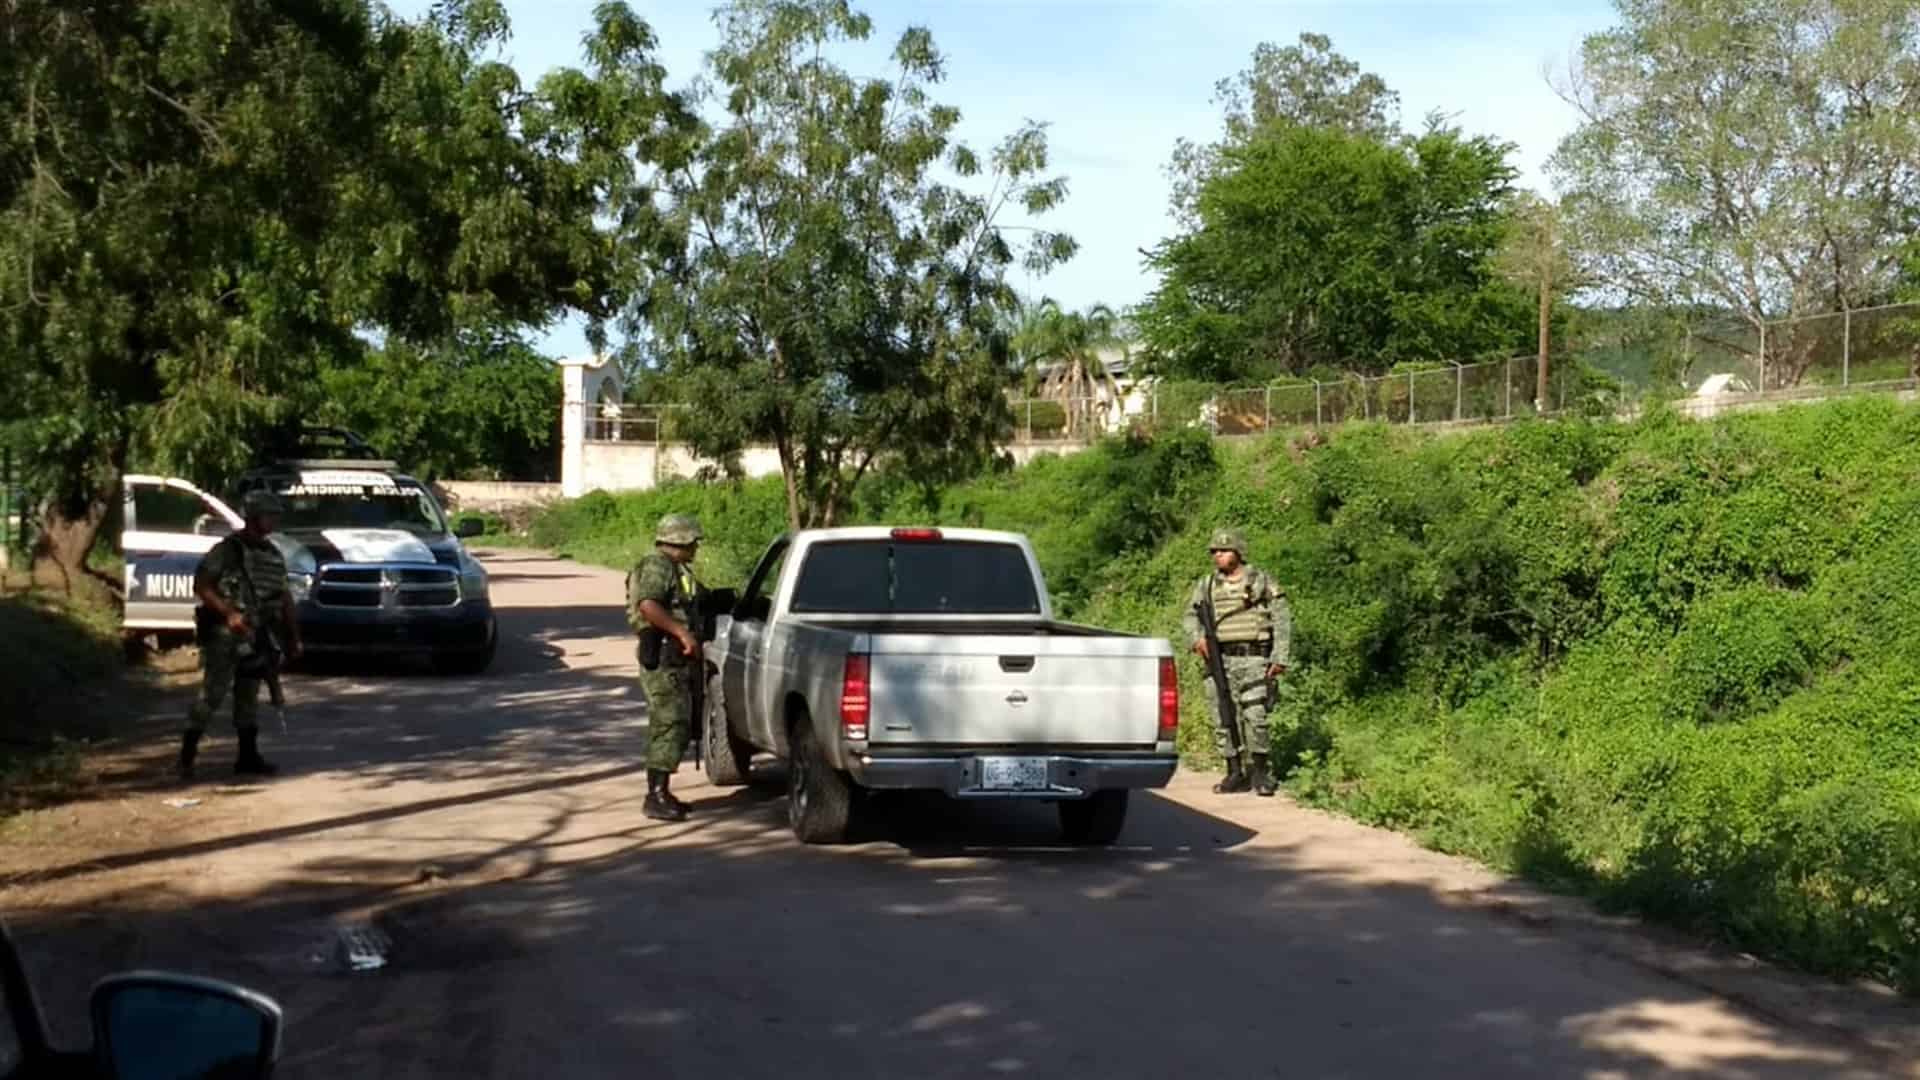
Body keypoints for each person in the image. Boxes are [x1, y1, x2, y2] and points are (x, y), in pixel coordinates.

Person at [179, 490, 302, 780]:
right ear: (253, 516)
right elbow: (202, 585)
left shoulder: (272, 554)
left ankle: (247, 757)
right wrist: (228, 613)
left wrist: (292, 636)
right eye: (268, 515)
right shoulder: (228, 551)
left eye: (275, 516)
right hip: (225, 634)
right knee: (212, 694)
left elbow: (283, 597)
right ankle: (186, 756)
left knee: (248, 696)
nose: (273, 520)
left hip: (257, 633)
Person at [1182, 527, 1291, 796]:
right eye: (1215, 551)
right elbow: (1189, 615)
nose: (1218, 555)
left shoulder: (1259, 581)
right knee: (1222, 716)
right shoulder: (1207, 585)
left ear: (1238, 552)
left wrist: (1280, 656)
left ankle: (1261, 773)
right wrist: (1197, 639)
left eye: (1224, 550)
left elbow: (1281, 617)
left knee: (1256, 716)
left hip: (1254, 658)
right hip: (1219, 660)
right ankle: (1233, 771)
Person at [627, 513, 708, 822]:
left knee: (679, 722)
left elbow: (694, 600)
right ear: (682, 540)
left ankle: (662, 792)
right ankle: (656, 795)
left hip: (674, 658)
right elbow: (648, 605)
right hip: (663, 656)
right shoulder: (657, 565)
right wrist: (682, 632)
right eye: (694, 541)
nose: (696, 546)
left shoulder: (677, 569)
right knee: (669, 722)